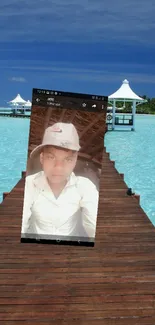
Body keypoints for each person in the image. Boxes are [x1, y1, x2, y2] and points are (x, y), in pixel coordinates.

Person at [21, 122, 99, 241]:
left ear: (75, 160)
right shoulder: (29, 184)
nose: (58, 167)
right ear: (42, 158)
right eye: (51, 157)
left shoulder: (85, 186)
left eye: (67, 159)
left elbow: (94, 225)